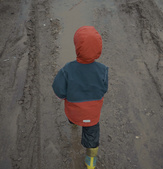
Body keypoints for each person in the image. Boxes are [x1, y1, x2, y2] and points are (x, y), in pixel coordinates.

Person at [52, 26, 108, 169]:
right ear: (98, 48)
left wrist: (64, 96)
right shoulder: (102, 70)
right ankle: (90, 161)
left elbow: (59, 90)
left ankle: (74, 123)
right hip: (92, 113)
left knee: (74, 116)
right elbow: (104, 89)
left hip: (75, 110)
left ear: (77, 46)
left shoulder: (67, 69)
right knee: (92, 135)